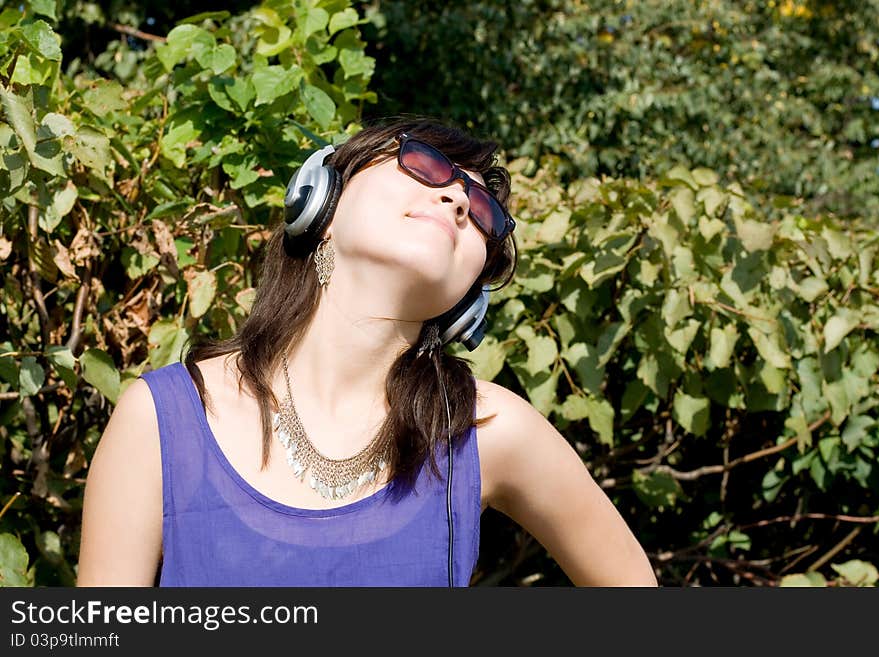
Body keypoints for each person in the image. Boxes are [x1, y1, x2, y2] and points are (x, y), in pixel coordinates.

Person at [76, 116, 657, 587]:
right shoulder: (159, 420)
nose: (457, 200)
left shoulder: (488, 429)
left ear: (469, 294)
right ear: (322, 202)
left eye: (482, 212)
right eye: (426, 165)